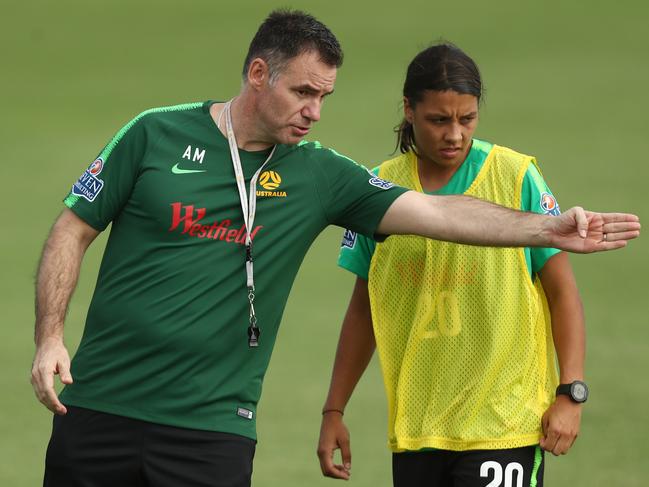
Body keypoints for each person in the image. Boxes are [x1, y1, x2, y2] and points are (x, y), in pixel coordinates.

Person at [31, 9, 639, 487]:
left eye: (325, 96)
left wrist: (545, 228)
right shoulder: (153, 133)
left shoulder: (319, 175)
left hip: (210, 430)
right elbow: (72, 227)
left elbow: (435, 212)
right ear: (259, 73)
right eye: (303, 92)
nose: (314, 112)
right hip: (97, 411)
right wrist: (50, 335)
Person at [316, 43, 617, 486]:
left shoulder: (515, 177)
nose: (454, 134)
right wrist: (334, 409)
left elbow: (562, 292)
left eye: (467, 119)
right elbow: (365, 309)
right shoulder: (378, 191)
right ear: (409, 110)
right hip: (419, 429)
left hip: (504, 423)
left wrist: (571, 392)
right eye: (439, 120)